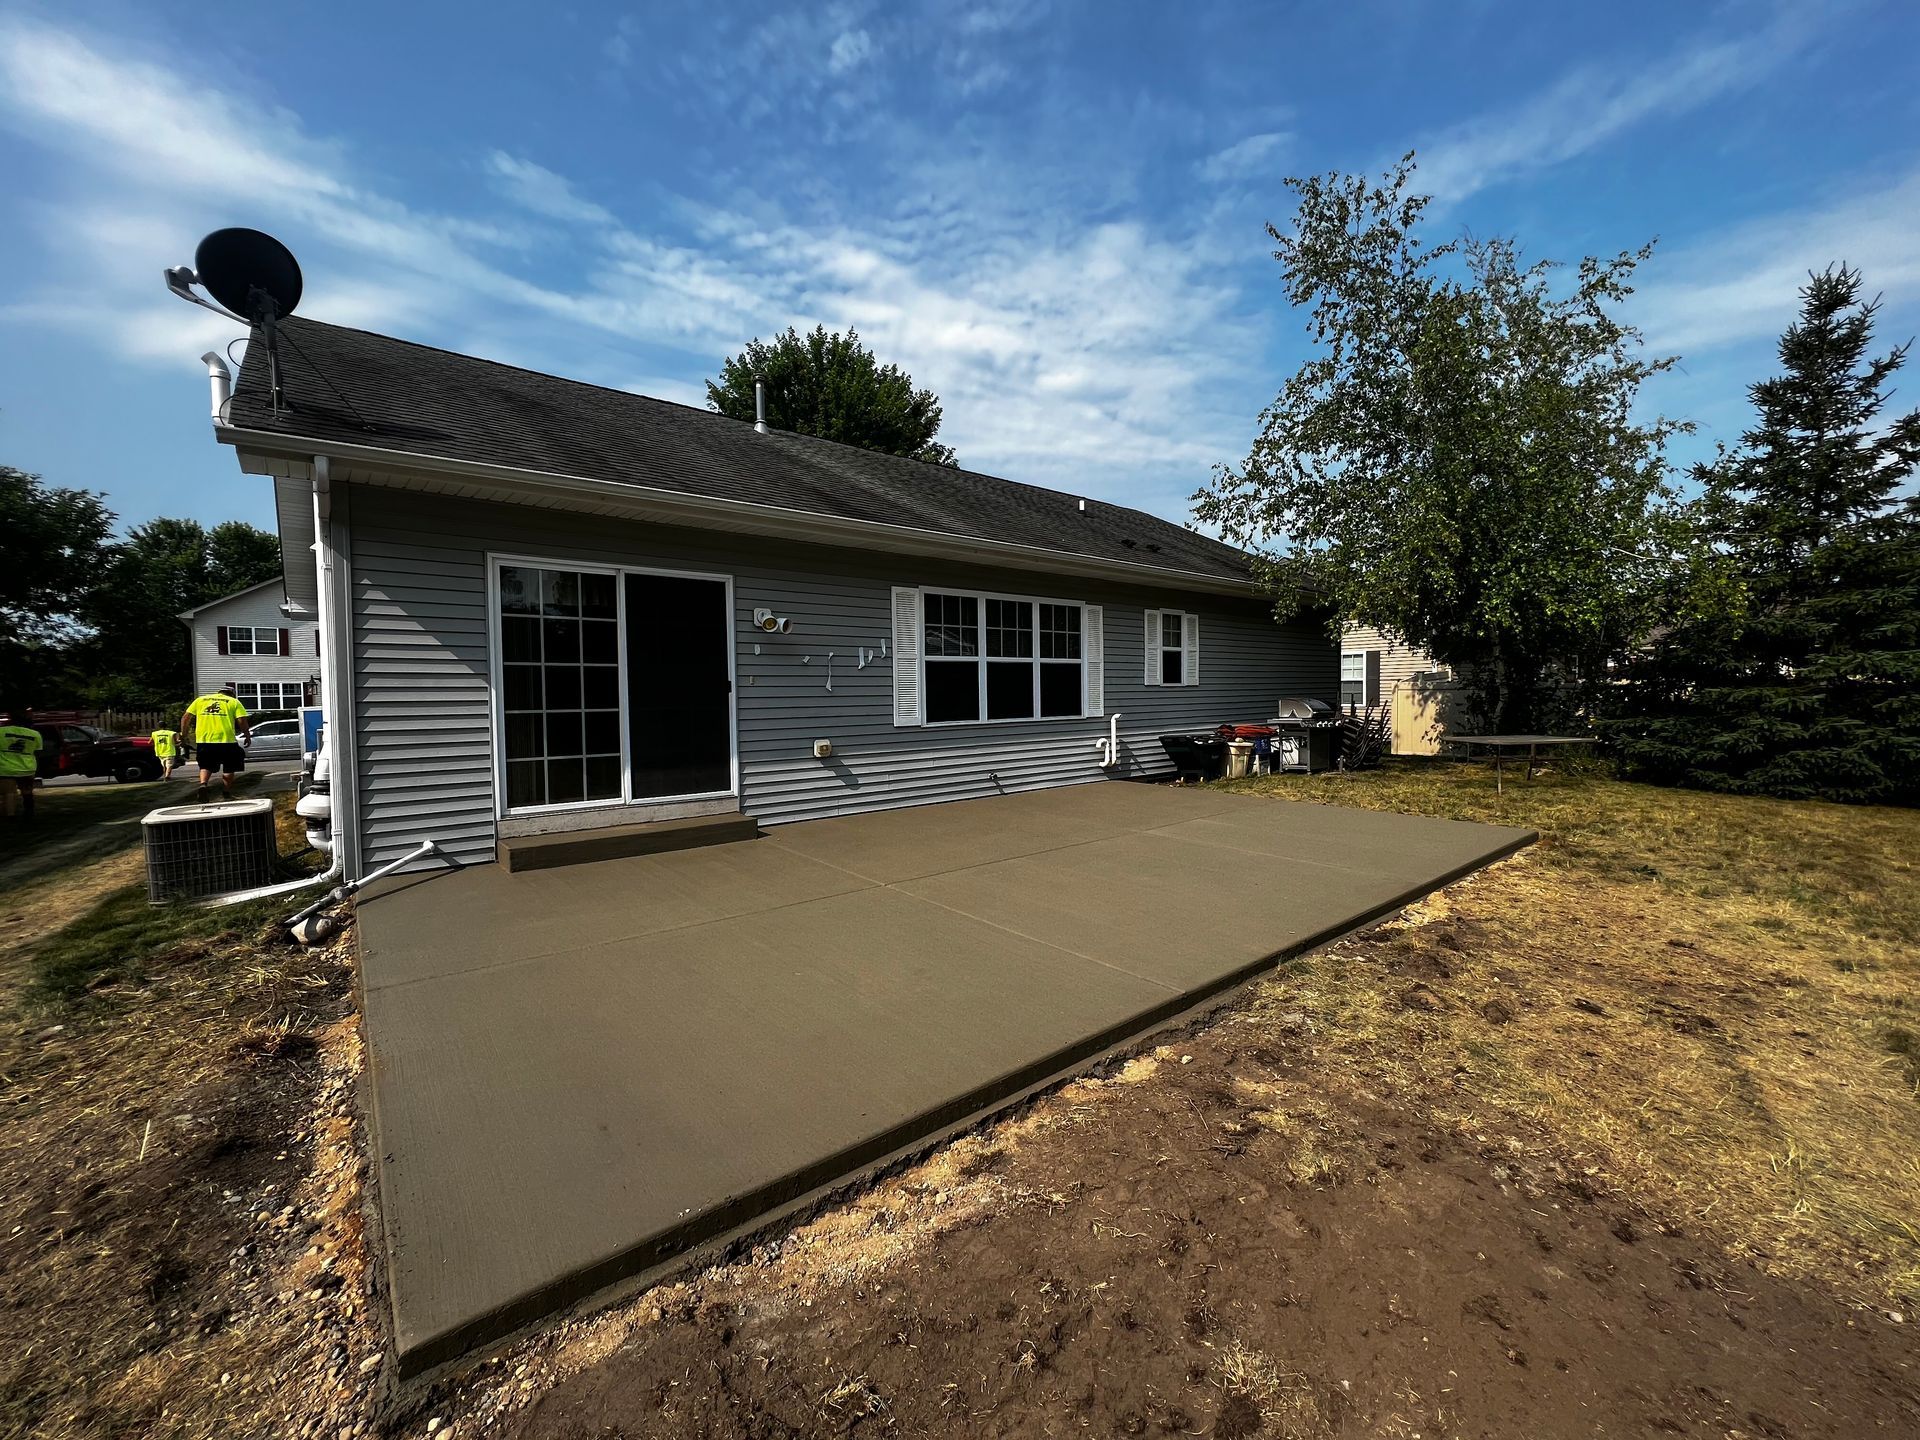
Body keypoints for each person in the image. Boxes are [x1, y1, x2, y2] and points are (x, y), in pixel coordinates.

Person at [181, 684, 251, 799]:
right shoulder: (234, 702)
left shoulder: (200, 700)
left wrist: (184, 735)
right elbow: (242, 721)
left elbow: (185, 718)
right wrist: (247, 736)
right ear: (232, 694)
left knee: (205, 765)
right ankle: (226, 793)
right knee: (229, 767)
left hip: (204, 740)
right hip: (227, 740)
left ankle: (203, 785)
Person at [0, 706, 43, 820]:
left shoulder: (1, 732)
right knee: (27, 791)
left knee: (9, 793)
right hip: (27, 768)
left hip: (6, 768)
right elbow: (37, 752)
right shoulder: (35, 734)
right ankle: (29, 813)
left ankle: (10, 816)